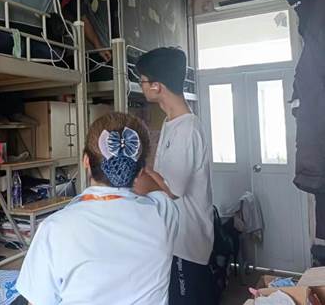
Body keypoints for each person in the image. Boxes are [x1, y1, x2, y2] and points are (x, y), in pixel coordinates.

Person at [16, 112, 178, 305]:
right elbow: (157, 190)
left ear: (86, 161)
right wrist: (135, 170)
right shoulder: (164, 214)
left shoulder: (54, 229)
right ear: (141, 171)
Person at [136, 47, 215, 305]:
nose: (141, 86)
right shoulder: (171, 122)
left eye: (143, 81)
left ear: (157, 86)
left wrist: (137, 175)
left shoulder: (187, 128)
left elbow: (173, 190)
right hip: (175, 237)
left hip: (187, 243)